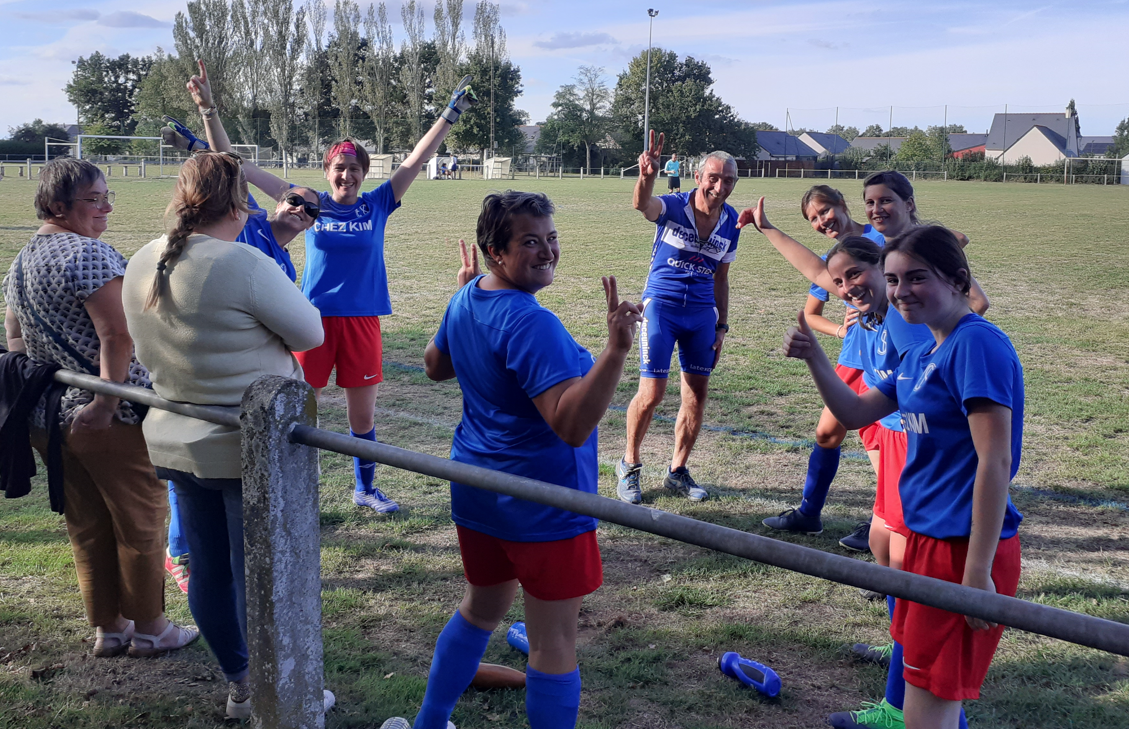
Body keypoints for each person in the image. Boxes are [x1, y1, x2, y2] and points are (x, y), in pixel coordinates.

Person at [379, 191, 643, 729]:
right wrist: (615, 352)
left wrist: (461, 306)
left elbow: (435, 366)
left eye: (552, 238)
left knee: (480, 610)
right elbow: (570, 426)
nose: (547, 251)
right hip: (541, 505)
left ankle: (430, 723)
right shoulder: (529, 322)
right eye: (530, 242)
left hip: (478, 492)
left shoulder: (469, 295)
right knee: (553, 643)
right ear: (495, 252)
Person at [783, 225, 1023, 729]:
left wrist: (977, 573)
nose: (900, 291)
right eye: (893, 280)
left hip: (962, 547)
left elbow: (993, 462)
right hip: (923, 539)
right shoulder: (917, 355)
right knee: (929, 701)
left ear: (958, 280)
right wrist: (814, 358)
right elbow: (852, 412)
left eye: (916, 278)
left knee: (926, 710)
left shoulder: (976, 346)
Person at [123, 151, 329, 721]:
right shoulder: (242, 262)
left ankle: (241, 684)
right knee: (259, 576)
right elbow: (309, 331)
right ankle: (271, 692)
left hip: (173, 438)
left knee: (209, 569)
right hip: (248, 446)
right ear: (239, 204)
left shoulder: (143, 259)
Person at [2, 157, 196, 659]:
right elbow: (118, 334)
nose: (107, 206)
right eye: (94, 199)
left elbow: (15, 337)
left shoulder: (21, 259)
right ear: (56, 205)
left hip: (49, 413)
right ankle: (152, 629)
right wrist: (106, 406)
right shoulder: (87, 255)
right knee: (142, 519)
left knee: (86, 521)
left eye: (107, 196)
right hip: (103, 417)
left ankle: (109, 629)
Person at [739, 171, 988, 536]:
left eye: (884, 200)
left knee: (907, 480)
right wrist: (768, 230)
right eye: (870, 202)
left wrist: (932, 354)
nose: (875, 209)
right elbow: (817, 272)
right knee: (866, 450)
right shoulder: (859, 259)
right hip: (874, 368)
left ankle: (889, 530)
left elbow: (975, 297)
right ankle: (874, 523)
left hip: (904, 383)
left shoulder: (900, 257)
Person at [154, 62, 323, 593]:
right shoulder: (243, 220)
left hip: (243, 370)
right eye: (295, 198)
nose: (301, 209)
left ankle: (208, 552)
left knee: (222, 469)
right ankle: (178, 552)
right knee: (196, 461)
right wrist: (208, 110)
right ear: (272, 199)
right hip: (202, 354)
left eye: (312, 211)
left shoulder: (285, 262)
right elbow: (227, 161)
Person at [296, 76, 478, 514]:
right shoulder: (309, 203)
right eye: (339, 167)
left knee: (363, 419)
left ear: (364, 173)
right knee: (301, 415)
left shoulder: (377, 203)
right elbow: (248, 173)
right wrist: (205, 128)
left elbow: (418, 159)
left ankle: (365, 489)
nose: (347, 174)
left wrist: (448, 116)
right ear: (327, 172)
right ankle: (299, 491)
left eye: (355, 167)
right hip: (309, 322)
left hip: (362, 321)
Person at [618, 132, 740, 504]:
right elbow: (643, 205)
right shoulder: (674, 205)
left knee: (696, 396)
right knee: (652, 392)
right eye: (714, 177)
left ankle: (677, 470)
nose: (720, 186)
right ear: (699, 176)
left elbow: (722, 277)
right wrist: (647, 175)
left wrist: (721, 327)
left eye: (728, 180)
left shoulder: (732, 222)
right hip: (663, 308)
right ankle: (630, 465)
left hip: (702, 315)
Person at [773, 185, 884, 551]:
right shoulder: (831, 260)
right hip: (853, 357)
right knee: (827, 434)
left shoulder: (883, 238)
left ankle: (884, 523)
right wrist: (840, 328)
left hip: (884, 357)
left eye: (824, 211)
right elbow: (810, 313)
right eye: (814, 219)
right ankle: (809, 514)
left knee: (882, 443)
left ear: (842, 203)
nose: (822, 222)